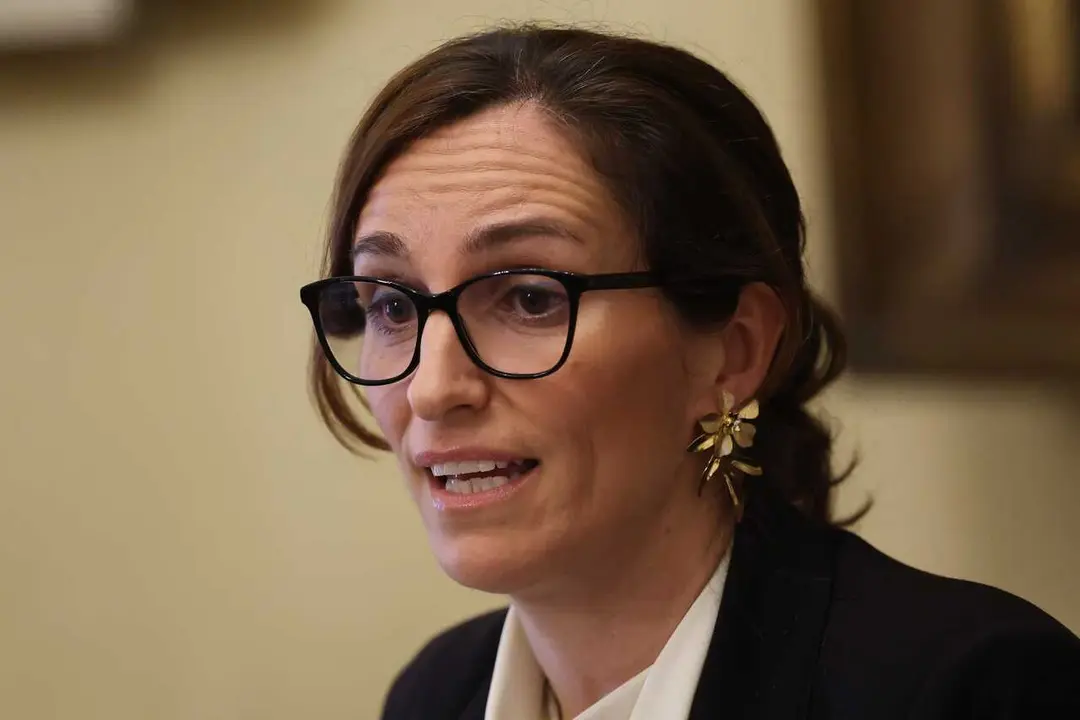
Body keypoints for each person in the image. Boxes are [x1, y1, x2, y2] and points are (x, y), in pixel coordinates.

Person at [299, 25, 1080, 720]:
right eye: (392, 307)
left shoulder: (969, 687)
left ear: (733, 351)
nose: (433, 389)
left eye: (530, 298)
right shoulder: (436, 695)